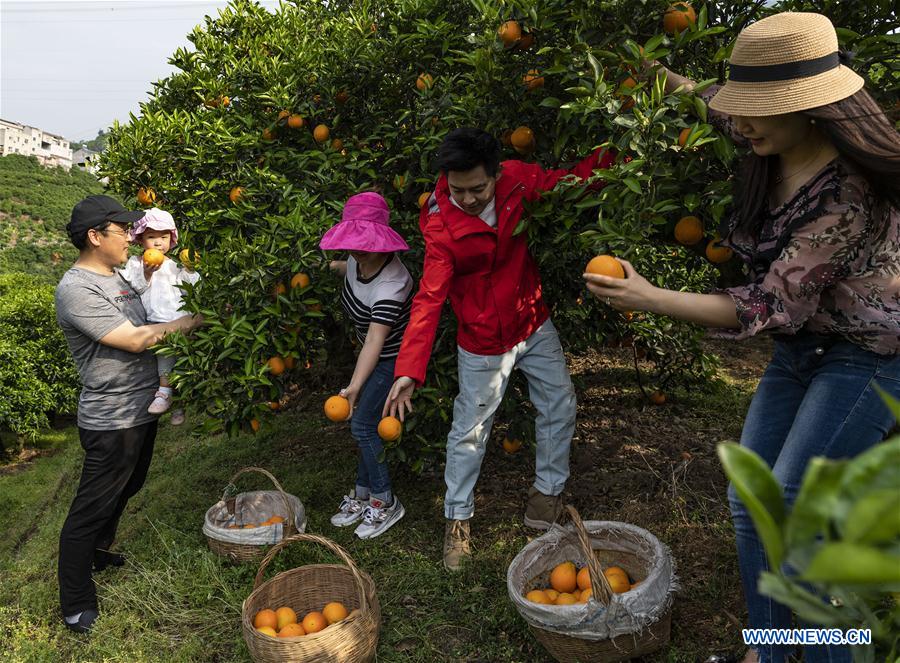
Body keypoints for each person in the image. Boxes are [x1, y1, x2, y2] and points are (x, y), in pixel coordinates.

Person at [583, 13, 899, 663]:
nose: (742, 119)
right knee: (748, 493)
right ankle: (773, 647)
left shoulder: (845, 192)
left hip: (870, 353)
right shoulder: (766, 135)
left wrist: (650, 298)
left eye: (758, 107)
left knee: (796, 508)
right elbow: (706, 96)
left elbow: (768, 304)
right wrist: (648, 75)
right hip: (806, 345)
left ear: (810, 109)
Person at [383, 127, 615, 571]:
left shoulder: (519, 182)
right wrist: (409, 369)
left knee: (560, 404)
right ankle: (457, 521)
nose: (467, 199)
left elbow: (572, 180)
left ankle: (545, 499)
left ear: (496, 175)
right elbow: (429, 298)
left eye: (477, 189)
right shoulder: (440, 225)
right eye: (456, 190)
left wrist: (629, 148)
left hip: (532, 318)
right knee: (470, 431)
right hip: (482, 337)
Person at [55, 195, 202, 633]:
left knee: (132, 482)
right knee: (90, 506)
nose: (132, 239)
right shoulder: (77, 289)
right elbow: (137, 339)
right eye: (123, 231)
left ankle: (99, 552)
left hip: (139, 408)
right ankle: (76, 601)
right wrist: (198, 319)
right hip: (111, 417)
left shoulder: (119, 276)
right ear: (95, 236)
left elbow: (154, 309)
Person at [320, 192, 413, 539]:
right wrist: (325, 265)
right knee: (365, 424)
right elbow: (348, 268)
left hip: (392, 359)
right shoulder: (357, 259)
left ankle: (385, 500)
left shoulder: (393, 283)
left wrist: (355, 386)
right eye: (353, 240)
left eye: (365, 242)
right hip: (371, 354)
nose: (357, 249)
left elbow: (376, 340)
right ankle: (362, 494)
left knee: (361, 426)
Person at [120, 207, 200, 425]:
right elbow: (135, 287)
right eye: (151, 237)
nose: (157, 243)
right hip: (157, 323)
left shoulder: (174, 264)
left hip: (182, 321)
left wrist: (190, 270)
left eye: (163, 237)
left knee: (183, 363)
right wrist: (147, 273)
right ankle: (164, 393)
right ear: (140, 239)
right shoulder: (136, 263)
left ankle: (180, 404)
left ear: (171, 239)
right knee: (165, 361)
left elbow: (189, 289)